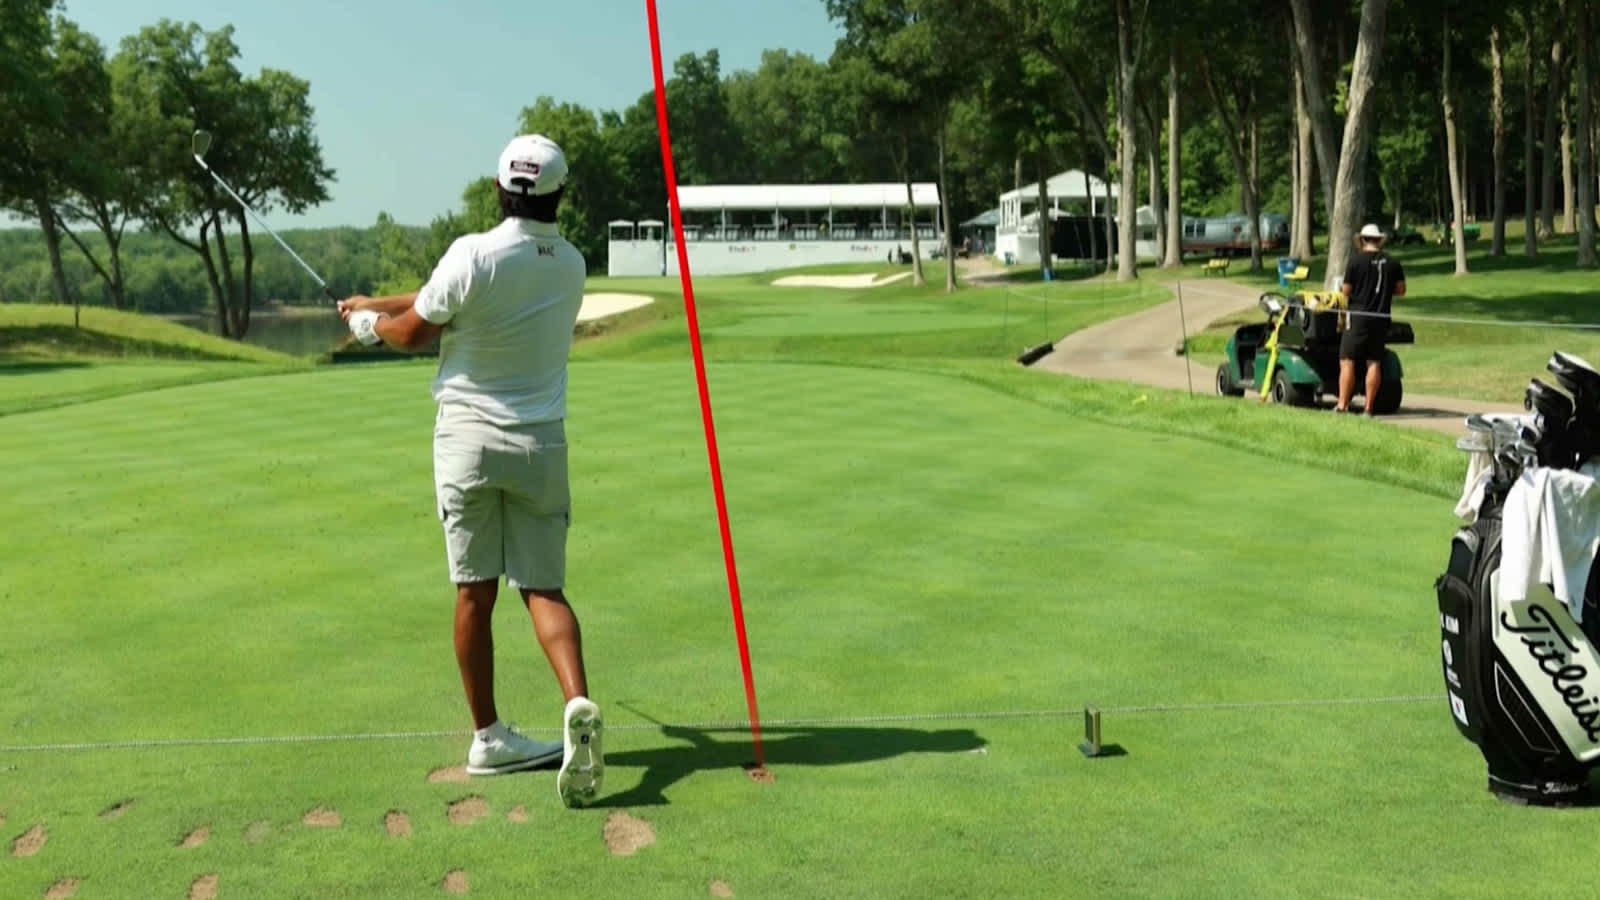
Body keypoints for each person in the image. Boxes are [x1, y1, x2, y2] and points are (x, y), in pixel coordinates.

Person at [338, 134, 604, 808]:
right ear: (558, 195)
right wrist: (381, 299)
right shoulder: (570, 264)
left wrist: (371, 324)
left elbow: (417, 330)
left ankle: (487, 737)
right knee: (543, 587)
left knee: (473, 593)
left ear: (497, 189)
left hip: (468, 445)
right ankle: (577, 704)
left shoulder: (470, 254)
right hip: (541, 444)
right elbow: (448, 292)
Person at [1336, 223, 1407, 416]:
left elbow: (1346, 291)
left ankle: (1342, 405)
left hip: (1359, 317)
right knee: (1374, 361)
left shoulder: (1355, 261)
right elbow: (1401, 290)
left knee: (1347, 360)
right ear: (1379, 241)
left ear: (1362, 240)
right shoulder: (1392, 262)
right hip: (1381, 317)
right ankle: (1368, 408)